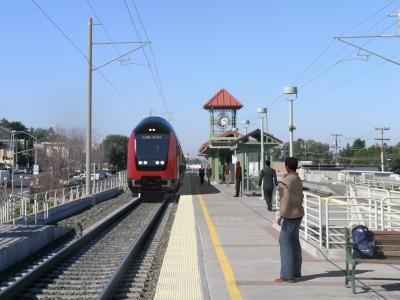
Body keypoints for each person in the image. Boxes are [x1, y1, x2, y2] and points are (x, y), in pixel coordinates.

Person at [276, 157, 304, 283]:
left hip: (289, 216)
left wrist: (282, 215)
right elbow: (301, 196)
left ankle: (287, 275)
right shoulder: (298, 179)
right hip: (299, 213)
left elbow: (285, 199)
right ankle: (296, 272)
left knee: (285, 243)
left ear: (287, 166)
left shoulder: (286, 181)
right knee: (295, 242)